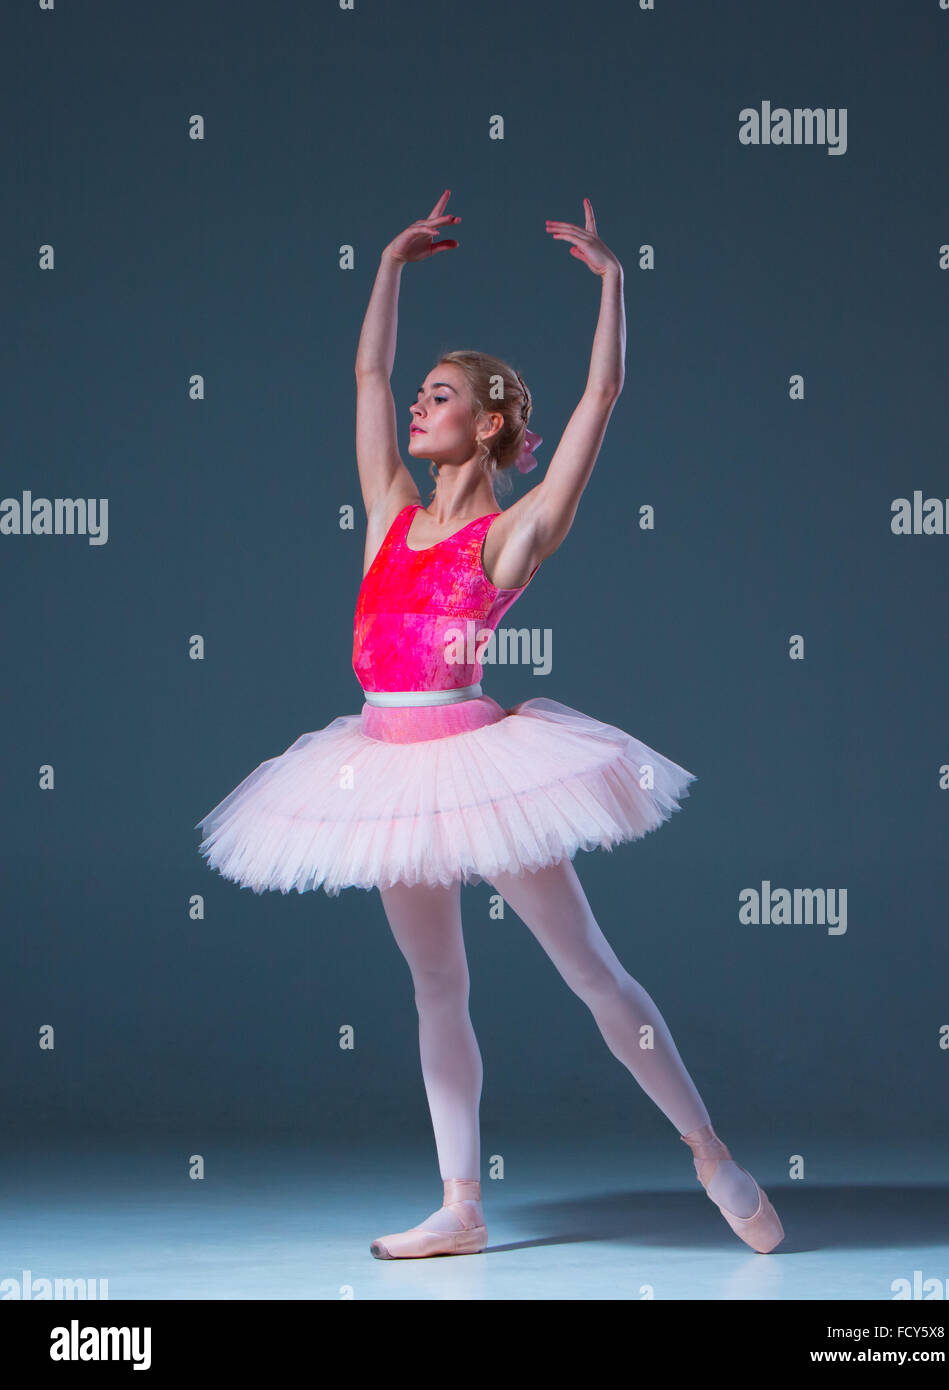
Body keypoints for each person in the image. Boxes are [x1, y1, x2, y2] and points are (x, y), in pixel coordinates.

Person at [195, 190, 784, 1260]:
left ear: (491, 422)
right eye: (422, 394)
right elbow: (366, 375)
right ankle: (460, 1203)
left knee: (589, 968)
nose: (418, 406)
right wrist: (387, 264)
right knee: (436, 981)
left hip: (477, 763)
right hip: (377, 760)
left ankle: (709, 1155)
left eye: (442, 396)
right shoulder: (386, 508)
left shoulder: (507, 539)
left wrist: (613, 284)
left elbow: (602, 394)